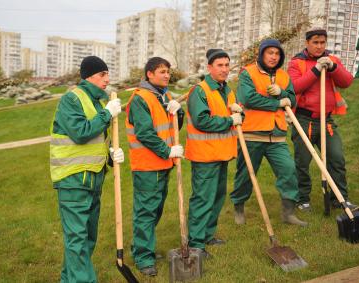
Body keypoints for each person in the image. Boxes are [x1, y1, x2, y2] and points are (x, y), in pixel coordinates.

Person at [50, 55, 124, 282]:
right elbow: (80, 132)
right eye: (102, 74)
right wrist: (107, 114)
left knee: (87, 238)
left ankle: (68, 279)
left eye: (108, 74)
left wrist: (111, 154)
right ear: (88, 76)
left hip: (93, 180)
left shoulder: (97, 102)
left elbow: (96, 139)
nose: (107, 79)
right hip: (73, 179)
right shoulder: (72, 99)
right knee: (78, 239)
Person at [230, 39, 307, 227]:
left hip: (277, 134)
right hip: (252, 134)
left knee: (288, 170)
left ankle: (288, 213)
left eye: (277, 53)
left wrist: (282, 93)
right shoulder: (248, 73)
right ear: (262, 54)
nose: (274, 57)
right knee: (246, 174)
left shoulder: (283, 75)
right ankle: (239, 207)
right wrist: (276, 103)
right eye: (270, 53)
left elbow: (292, 99)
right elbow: (248, 99)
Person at [125, 57, 184, 276]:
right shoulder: (141, 99)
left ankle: (142, 248)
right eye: (162, 71)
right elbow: (144, 133)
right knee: (146, 212)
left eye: (168, 71)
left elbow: (173, 126)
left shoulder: (163, 96)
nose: (167, 75)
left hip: (163, 164)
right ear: (149, 74)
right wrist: (167, 151)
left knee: (155, 209)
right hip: (147, 166)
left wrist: (178, 111)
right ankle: (143, 257)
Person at [288, 28, 358, 212]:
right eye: (315, 43)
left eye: (322, 43)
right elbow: (294, 86)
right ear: (307, 43)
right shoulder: (297, 63)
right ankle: (302, 199)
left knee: (336, 159)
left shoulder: (332, 61)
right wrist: (316, 69)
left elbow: (347, 81)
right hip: (304, 120)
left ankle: (339, 198)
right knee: (302, 162)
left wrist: (332, 67)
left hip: (327, 121)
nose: (319, 46)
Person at [185, 49, 240, 257]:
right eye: (220, 65)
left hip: (222, 153)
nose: (225, 69)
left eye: (227, 65)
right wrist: (229, 120)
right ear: (209, 67)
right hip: (205, 156)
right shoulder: (200, 91)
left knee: (217, 197)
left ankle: (207, 235)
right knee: (203, 199)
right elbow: (202, 121)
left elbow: (223, 111)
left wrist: (237, 110)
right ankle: (196, 244)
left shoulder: (226, 89)